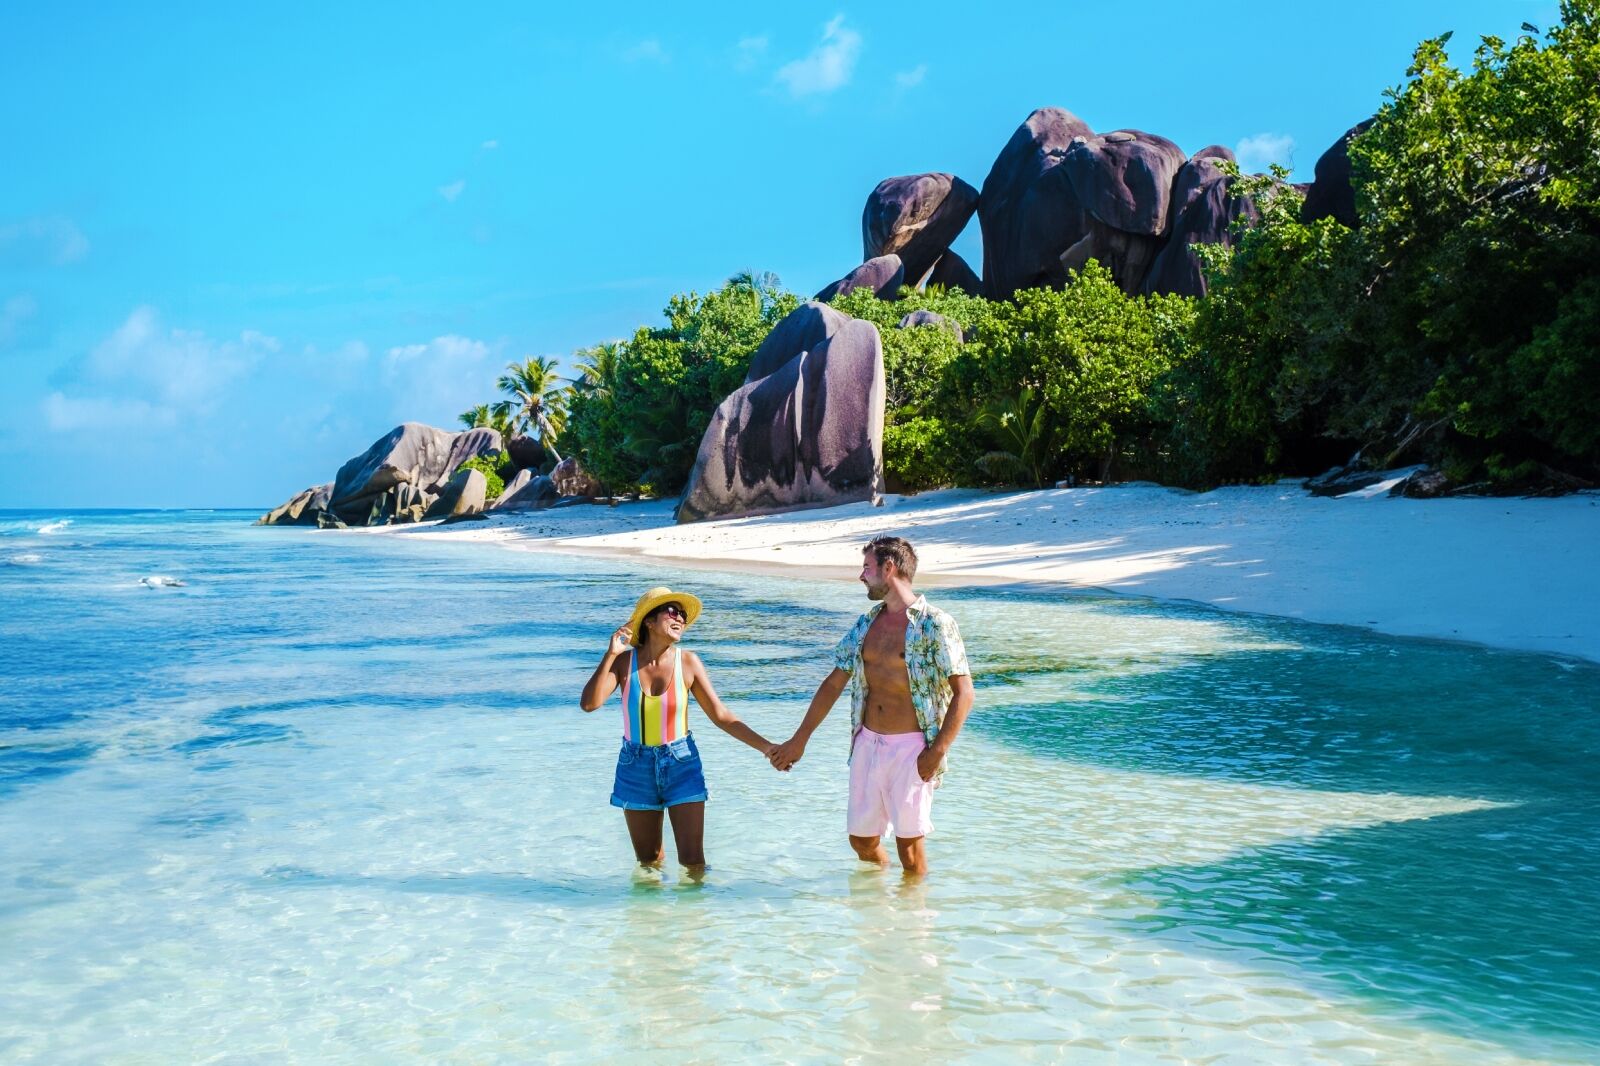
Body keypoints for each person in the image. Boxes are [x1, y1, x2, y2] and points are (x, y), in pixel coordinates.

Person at [769, 536, 974, 875]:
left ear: (888, 568)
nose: (861, 576)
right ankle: (879, 910)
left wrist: (936, 752)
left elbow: (964, 692)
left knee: (909, 849)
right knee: (861, 840)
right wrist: (799, 740)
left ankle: (914, 923)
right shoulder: (867, 623)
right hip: (867, 743)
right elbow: (834, 682)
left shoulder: (934, 624)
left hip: (911, 749)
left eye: (867, 568)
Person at [579, 585, 774, 877]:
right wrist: (610, 653)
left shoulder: (688, 662)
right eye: (672, 611)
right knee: (649, 863)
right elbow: (590, 704)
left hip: (681, 762)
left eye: (682, 614)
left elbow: (721, 716)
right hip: (635, 765)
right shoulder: (623, 663)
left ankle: (695, 921)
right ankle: (653, 922)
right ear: (648, 620)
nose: (680, 618)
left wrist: (768, 748)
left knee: (693, 862)